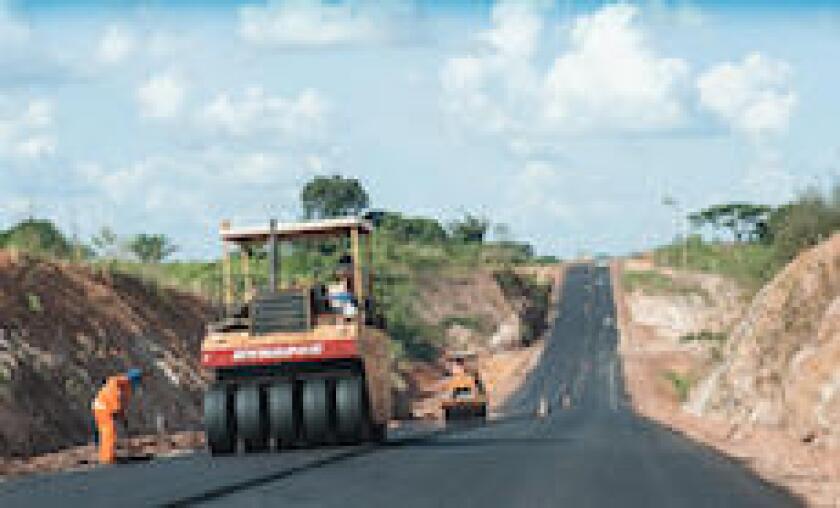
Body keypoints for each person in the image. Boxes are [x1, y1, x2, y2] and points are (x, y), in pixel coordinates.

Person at [91, 368, 142, 464]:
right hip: (102, 408)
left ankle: (108, 455)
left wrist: (123, 417)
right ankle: (107, 459)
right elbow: (115, 402)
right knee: (108, 431)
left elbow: (121, 405)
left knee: (110, 431)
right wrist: (119, 413)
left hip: (108, 408)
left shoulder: (127, 387)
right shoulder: (115, 383)